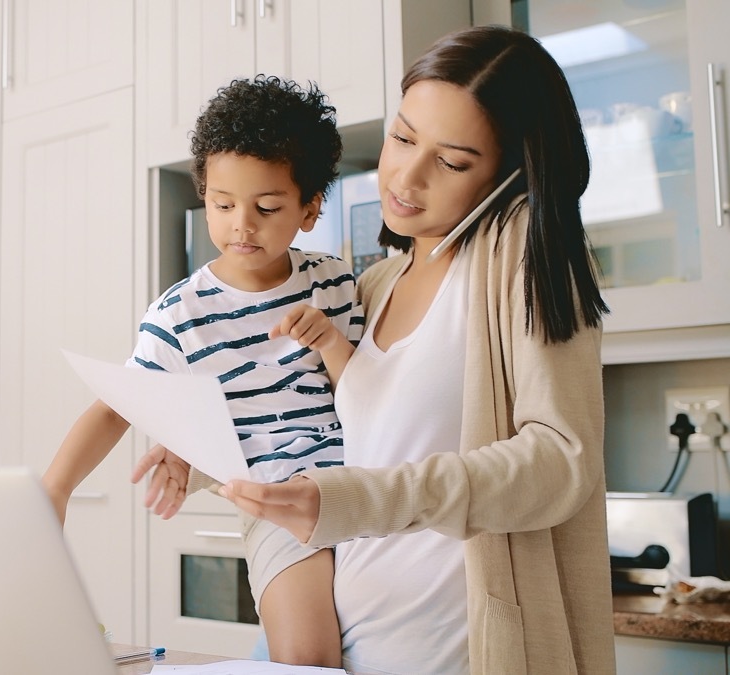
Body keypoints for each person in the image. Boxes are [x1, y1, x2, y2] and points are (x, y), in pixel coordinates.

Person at [133, 25, 616, 674]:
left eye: (451, 161)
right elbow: (309, 427)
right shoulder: (372, 285)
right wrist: (194, 456)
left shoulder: (520, 251)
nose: (406, 177)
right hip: (346, 641)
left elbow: (559, 460)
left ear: (507, 173)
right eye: (403, 137)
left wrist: (354, 500)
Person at [42, 75, 362, 668]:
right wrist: (56, 488)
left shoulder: (334, 281)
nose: (242, 224)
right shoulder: (179, 313)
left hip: (363, 488)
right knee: (309, 657)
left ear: (311, 207)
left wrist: (335, 346)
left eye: (267, 208)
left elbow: (369, 399)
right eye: (222, 204)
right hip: (276, 501)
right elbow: (118, 403)